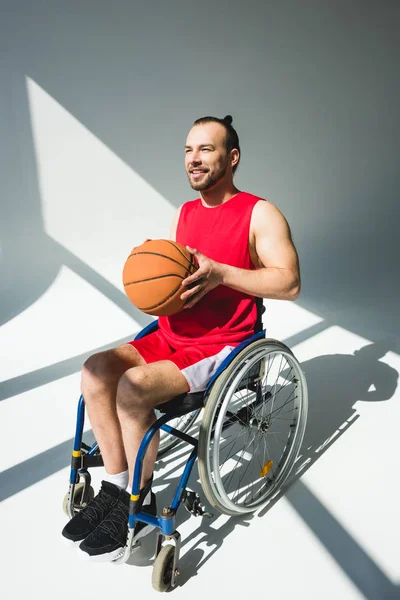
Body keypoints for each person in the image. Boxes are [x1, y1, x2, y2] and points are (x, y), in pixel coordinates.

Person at [62, 115, 301, 561]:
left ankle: (141, 499)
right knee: (95, 372)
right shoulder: (186, 213)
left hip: (223, 345)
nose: (194, 159)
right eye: (189, 150)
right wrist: (159, 288)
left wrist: (223, 274)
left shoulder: (259, 213)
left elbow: (289, 283)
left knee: (133, 390)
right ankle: (115, 489)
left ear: (232, 158)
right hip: (173, 334)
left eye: (206, 150)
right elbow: (179, 283)